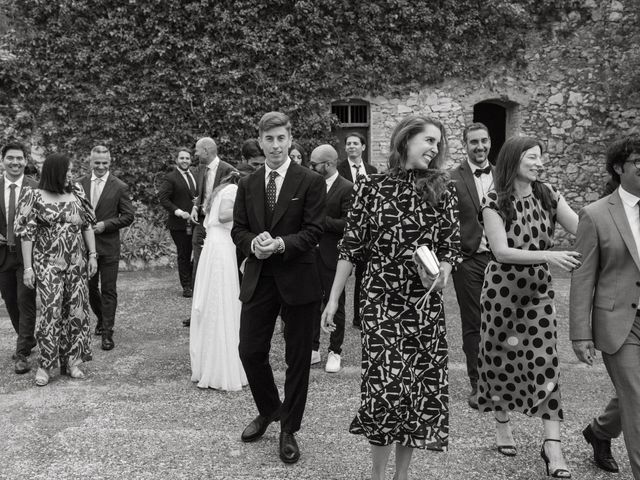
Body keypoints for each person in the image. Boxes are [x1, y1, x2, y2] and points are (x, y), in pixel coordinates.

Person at [322, 115, 461, 480]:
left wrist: (442, 272)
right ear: (406, 140)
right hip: (381, 304)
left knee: (416, 395)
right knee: (384, 393)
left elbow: (450, 249)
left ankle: (401, 476)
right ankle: (378, 476)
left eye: (437, 143)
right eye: (428, 140)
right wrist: (334, 300)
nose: (434, 149)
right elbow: (350, 248)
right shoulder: (370, 188)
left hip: (424, 308)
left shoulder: (443, 189)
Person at [477, 136, 580, 478]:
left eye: (540, 158)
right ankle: (502, 422)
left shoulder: (548, 193)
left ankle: (552, 445)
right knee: (499, 358)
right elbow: (502, 252)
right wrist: (549, 255)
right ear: (514, 159)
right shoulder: (494, 199)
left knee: (546, 361)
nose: (539, 163)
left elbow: (583, 229)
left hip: (538, 293)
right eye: (533, 157)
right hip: (502, 292)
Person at [231, 111, 325, 464]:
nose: (275, 145)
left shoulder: (309, 181)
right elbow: (237, 229)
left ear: (290, 139)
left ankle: (289, 428)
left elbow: (315, 231)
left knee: (297, 358)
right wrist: (252, 244)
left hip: (298, 277)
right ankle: (272, 409)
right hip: (260, 277)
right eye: (268, 139)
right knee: (249, 350)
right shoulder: (248, 183)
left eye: (281, 138)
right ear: (260, 141)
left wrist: (282, 244)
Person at [570, 136, 640, 478]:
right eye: (639, 161)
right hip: (619, 322)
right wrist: (579, 335)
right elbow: (583, 278)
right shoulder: (595, 215)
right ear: (618, 168)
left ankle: (599, 431)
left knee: (633, 394)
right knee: (638, 398)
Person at [16, 152, 98, 386]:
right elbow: (26, 235)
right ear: (55, 172)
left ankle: (72, 361)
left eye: (71, 171)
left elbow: (88, 226)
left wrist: (92, 255)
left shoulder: (77, 193)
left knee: (76, 310)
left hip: (76, 262)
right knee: (51, 311)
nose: (71, 175)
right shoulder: (33, 196)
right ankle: (45, 365)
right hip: (48, 262)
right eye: (67, 171)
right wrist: (28, 268)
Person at [190, 169, 248, 391]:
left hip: (214, 246)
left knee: (213, 303)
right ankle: (220, 368)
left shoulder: (221, 189)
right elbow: (225, 215)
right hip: (222, 248)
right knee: (221, 303)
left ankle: (209, 364)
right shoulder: (234, 190)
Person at [450, 123, 494, 409]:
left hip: (501, 259)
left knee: (500, 319)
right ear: (465, 144)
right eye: (473, 142)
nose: (480, 147)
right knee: (473, 322)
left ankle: (502, 379)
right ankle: (478, 383)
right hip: (468, 259)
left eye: (484, 141)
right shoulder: (453, 177)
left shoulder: (504, 174)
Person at [79, 146, 134, 351]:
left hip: (109, 245)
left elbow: (128, 216)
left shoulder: (119, 186)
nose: (101, 166)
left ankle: (108, 333)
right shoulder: (78, 184)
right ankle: (101, 318)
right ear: (90, 161)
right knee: (90, 288)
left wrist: (105, 225)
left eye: (104, 163)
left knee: (109, 289)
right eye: (97, 162)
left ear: (110, 162)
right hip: (84, 246)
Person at [309, 144, 353, 372]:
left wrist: (320, 221)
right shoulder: (309, 184)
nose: (311, 167)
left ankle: (335, 351)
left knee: (337, 304)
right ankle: (313, 348)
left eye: (314, 163)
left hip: (333, 255)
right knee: (312, 301)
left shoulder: (347, 188)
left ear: (328, 164)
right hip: (309, 255)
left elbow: (349, 224)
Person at [0, 142, 37, 374]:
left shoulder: (36, 187)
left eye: (20, 158)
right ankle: (28, 339)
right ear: (3, 160)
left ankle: (22, 352)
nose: (15, 162)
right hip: (2, 257)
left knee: (26, 302)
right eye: (11, 158)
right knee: (11, 302)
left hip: (27, 257)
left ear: (25, 160)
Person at [337, 132, 378, 329]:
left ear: (363, 147)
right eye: (348, 143)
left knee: (363, 276)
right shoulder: (339, 170)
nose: (351, 146)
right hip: (343, 227)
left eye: (355, 143)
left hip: (367, 231)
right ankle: (335, 316)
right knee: (340, 275)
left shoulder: (372, 170)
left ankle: (359, 318)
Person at [188, 138, 235, 298]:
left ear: (206, 151)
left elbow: (237, 198)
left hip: (220, 227)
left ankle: (215, 301)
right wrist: (195, 206)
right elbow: (201, 193)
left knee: (216, 265)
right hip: (201, 221)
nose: (195, 153)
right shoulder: (201, 169)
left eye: (197, 150)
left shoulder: (229, 171)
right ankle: (197, 307)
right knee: (198, 264)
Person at [158, 147, 197, 298]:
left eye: (187, 158)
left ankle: (194, 282)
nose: (185, 161)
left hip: (196, 222)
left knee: (199, 253)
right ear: (176, 160)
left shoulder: (194, 174)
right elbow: (163, 199)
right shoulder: (170, 178)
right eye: (182, 158)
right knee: (184, 254)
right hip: (180, 225)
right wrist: (179, 212)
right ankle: (186, 286)